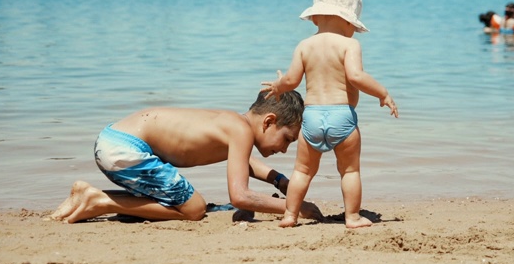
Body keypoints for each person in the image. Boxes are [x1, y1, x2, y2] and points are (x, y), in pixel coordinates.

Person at [50, 91, 323, 224]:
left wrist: (280, 181)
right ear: (269, 121)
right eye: (287, 138)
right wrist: (294, 207)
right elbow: (240, 196)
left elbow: (243, 163)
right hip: (127, 150)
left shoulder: (234, 123)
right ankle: (99, 201)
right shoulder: (240, 130)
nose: (286, 149)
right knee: (194, 209)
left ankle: (87, 195)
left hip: (113, 141)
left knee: (185, 204)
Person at [261, 0, 399, 229]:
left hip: (311, 117)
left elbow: (291, 80)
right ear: (348, 21)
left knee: (302, 171)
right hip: (342, 117)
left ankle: (290, 215)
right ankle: (352, 217)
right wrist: (383, 93)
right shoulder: (349, 45)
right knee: (350, 171)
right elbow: (357, 77)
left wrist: (278, 86)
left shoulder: (304, 46)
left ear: (315, 18)